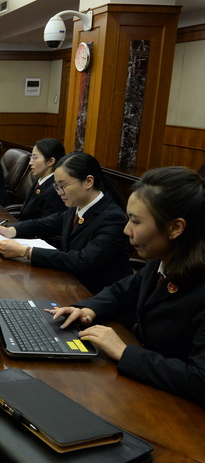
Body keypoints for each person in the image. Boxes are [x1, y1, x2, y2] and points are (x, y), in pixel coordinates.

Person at [48, 167, 205, 407]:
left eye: (136, 221)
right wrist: (87, 309)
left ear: (175, 228)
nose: (126, 230)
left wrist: (124, 352)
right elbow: (122, 291)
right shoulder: (161, 260)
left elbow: (200, 379)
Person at [0, 152, 132, 294]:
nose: (59, 192)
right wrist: (10, 230)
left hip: (98, 293)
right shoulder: (77, 206)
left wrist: (26, 252)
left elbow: (83, 261)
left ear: (89, 181)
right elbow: (44, 224)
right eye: (56, 186)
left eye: (63, 185)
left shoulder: (112, 218)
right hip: (72, 283)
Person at [17, 138, 67, 221]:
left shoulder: (55, 189)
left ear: (51, 161)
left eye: (35, 158)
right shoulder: (41, 179)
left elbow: (47, 224)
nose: (30, 163)